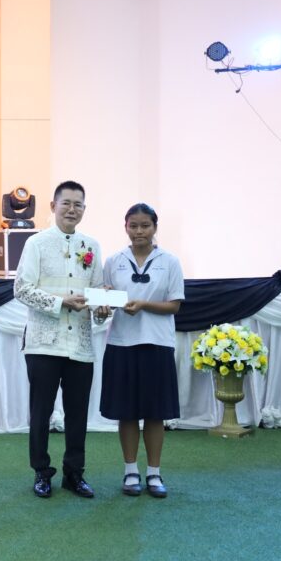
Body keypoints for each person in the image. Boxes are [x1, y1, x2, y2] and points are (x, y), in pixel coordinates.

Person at [15, 180, 104, 499]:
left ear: (84, 209)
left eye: (78, 204)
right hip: (43, 343)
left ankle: (74, 473)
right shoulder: (36, 243)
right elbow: (21, 289)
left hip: (80, 344)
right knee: (41, 412)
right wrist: (60, 302)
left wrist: (103, 308)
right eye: (66, 203)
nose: (71, 209)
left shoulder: (92, 245)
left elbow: (98, 292)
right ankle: (41, 471)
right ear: (53, 207)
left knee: (78, 413)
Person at [100, 203, 183, 498]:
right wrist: (102, 306)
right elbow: (106, 298)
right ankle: (131, 471)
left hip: (157, 343)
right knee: (127, 412)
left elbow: (174, 305)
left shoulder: (170, 261)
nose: (139, 231)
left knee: (155, 414)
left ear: (155, 227)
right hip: (121, 343)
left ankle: (154, 473)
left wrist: (144, 304)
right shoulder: (113, 261)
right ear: (125, 227)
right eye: (133, 226)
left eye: (145, 225)